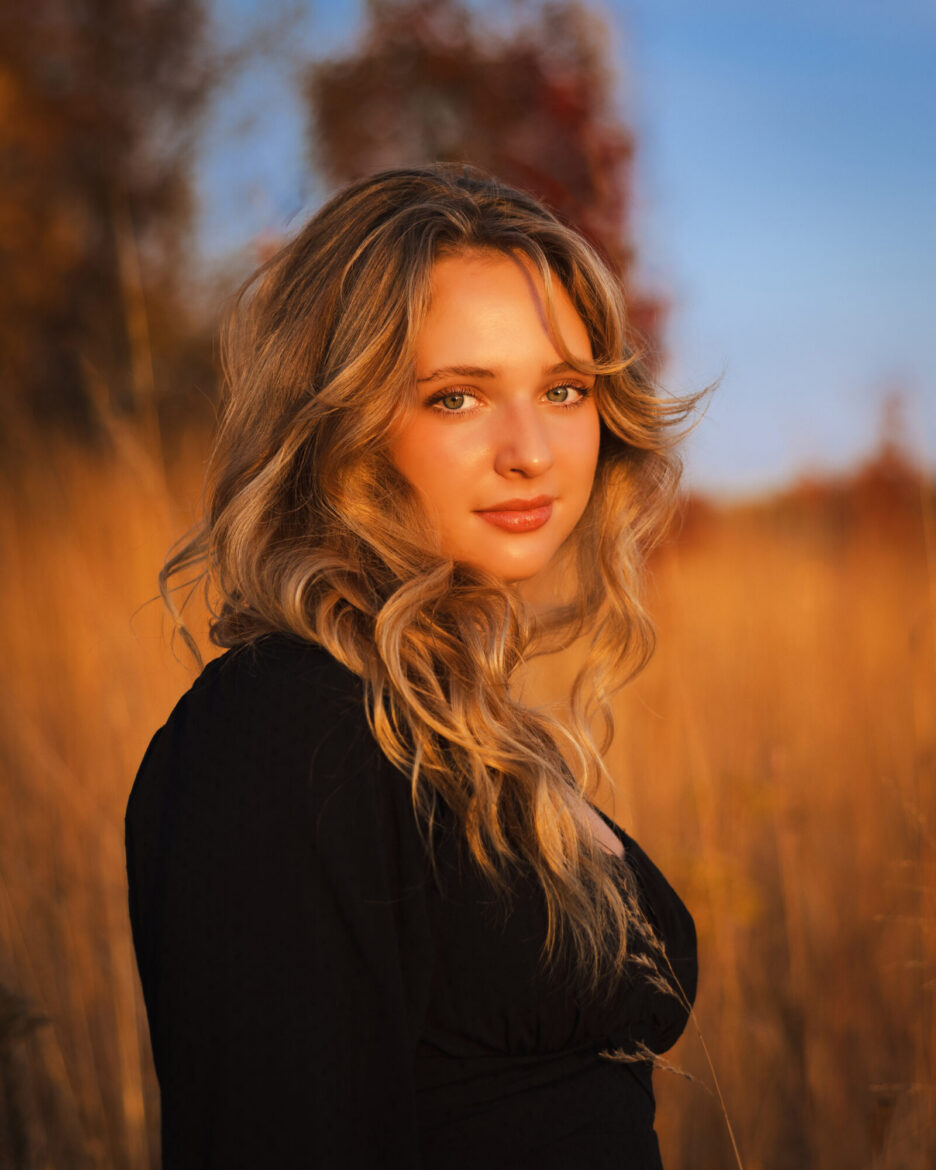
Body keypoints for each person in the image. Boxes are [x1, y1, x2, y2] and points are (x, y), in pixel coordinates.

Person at [125, 163, 700, 1170]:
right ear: (337, 423)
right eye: (456, 397)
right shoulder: (282, 734)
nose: (532, 451)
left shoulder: (452, 715)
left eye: (564, 389)